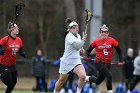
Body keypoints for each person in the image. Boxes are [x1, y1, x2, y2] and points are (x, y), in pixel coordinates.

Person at [84, 24, 123, 93]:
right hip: (99, 63)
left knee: (97, 81)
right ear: (100, 33)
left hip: (107, 64)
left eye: (105, 32)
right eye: (102, 32)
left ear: (108, 33)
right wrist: (86, 56)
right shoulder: (96, 41)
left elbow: (119, 51)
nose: (104, 34)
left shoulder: (112, 40)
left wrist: (120, 61)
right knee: (109, 76)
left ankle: (86, 77)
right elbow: (88, 51)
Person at [53, 18, 87, 93]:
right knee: (61, 81)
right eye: (74, 28)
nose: (76, 29)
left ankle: (78, 92)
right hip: (67, 62)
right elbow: (77, 45)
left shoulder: (78, 36)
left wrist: (81, 51)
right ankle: (55, 91)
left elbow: (79, 48)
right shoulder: (69, 36)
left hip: (76, 61)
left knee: (83, 76)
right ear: (70, 29)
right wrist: (83, 40)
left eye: (77, 27)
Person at [0, 22, 26, 93]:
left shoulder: (19, 40)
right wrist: (1, 51)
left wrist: (22, 53)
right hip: (4, 64)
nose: (17, 29)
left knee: (14, 82)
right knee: (9, 81)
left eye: (17, 27)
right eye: (16, 27)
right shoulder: (4, 39)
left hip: (12, 65)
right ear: (11, 29)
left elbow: (20, 50)